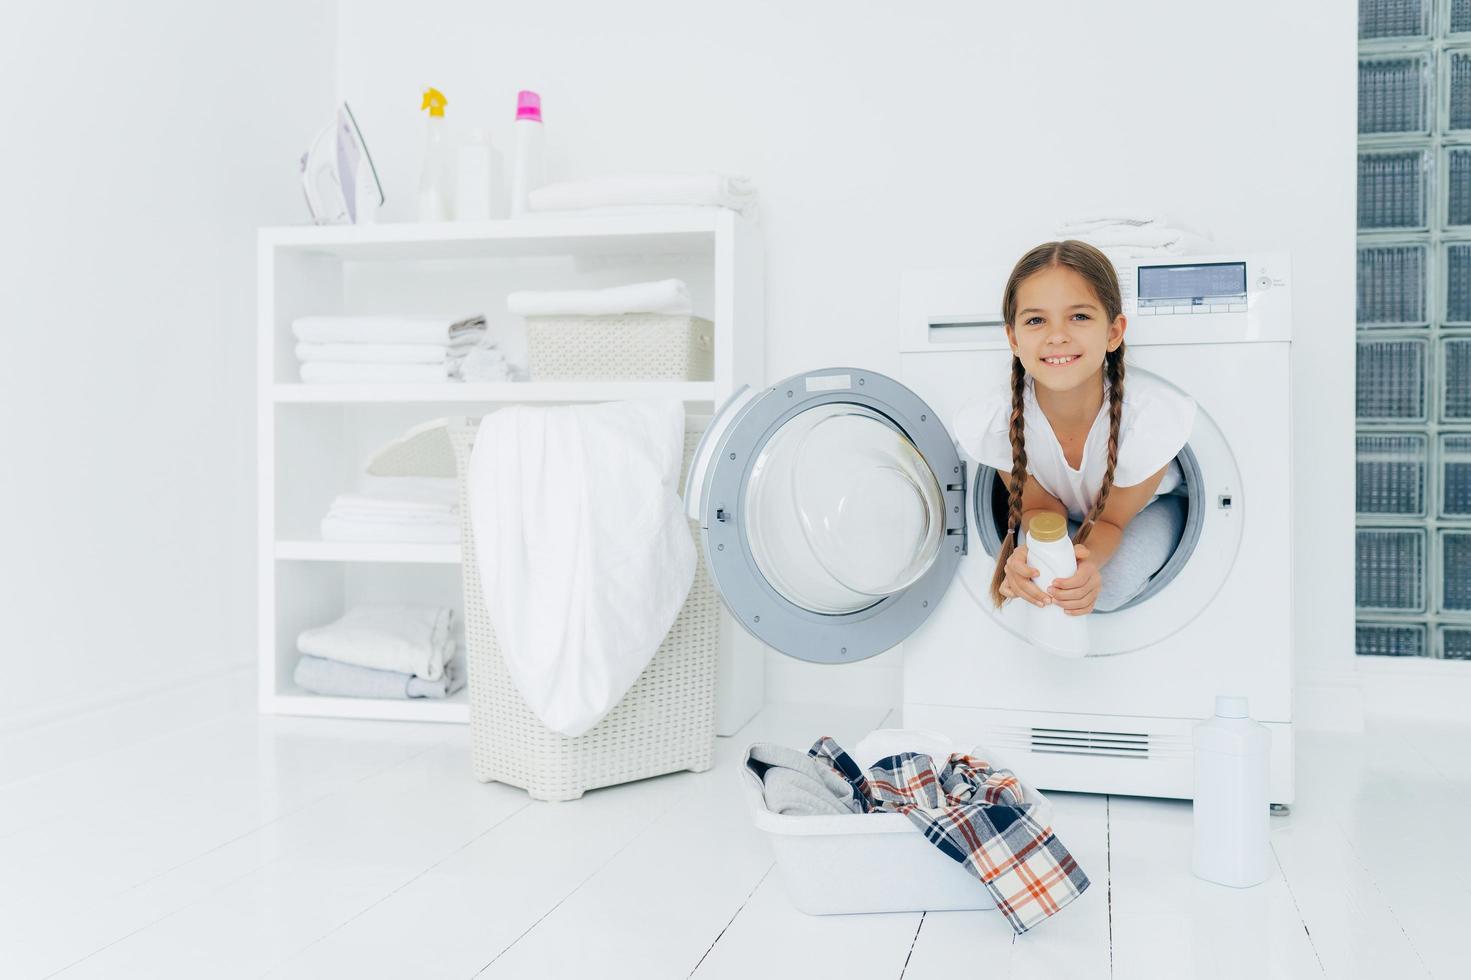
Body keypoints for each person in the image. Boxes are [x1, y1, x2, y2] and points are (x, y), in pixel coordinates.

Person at [954, 239, 1196, 616]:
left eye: (1079, 317)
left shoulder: (1148, 419)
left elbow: (1113, 520)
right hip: (1068, 515)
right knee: (1043, 580)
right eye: (1036, 320)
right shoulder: (1002, 421)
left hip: (1146, 509)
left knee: (1107, 588)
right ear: (1014, 339)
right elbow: (1039, 507)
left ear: (1114, 333)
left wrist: (1087, 566)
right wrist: (1032, 554)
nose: (1057, 336)